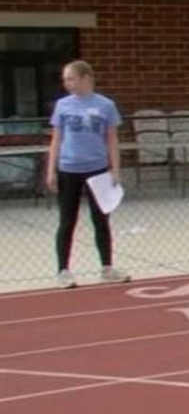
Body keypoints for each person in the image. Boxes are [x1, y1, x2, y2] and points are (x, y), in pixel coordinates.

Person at [46, 60, 127, 287]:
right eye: (65, 79)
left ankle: (107, 267)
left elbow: (111, 138)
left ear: (85, 78)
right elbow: (57, 139)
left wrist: (115, 169)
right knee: (67, 220)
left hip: (97, 170)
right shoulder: (63, 105)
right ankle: (63, 270)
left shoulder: (106, 106)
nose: (67, 83)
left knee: (101, 220)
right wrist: (51, 169)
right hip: (69, 169)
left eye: (71, 78)